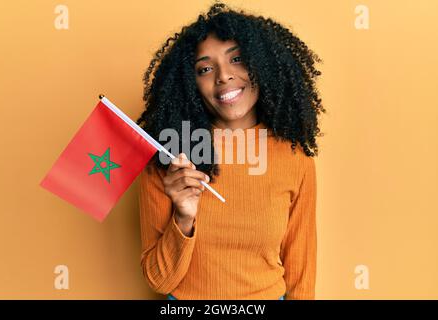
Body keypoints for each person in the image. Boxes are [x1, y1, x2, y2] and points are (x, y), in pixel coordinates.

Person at [136, 1, 326, 300]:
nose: (223, 76)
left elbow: (301, 274)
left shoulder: (294, 157)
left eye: (237, 59)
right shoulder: (169, 157)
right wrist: (183, 218)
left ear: (262, 64)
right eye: (206, 68)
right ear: (190, 84)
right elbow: (158, 281)